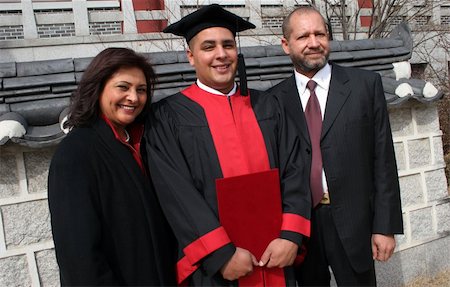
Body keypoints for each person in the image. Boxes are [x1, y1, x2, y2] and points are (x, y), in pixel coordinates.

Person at [144, 4, 310, 286]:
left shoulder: (268, 106)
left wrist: (291, 236)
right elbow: (176, 195)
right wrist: (220, 254)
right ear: (191, 56)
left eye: (228, 45)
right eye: (208, 47)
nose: (221, 54)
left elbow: (295, 169)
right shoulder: (167, 118)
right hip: (217, 268)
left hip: (276, 257)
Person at [268, 6, 404, 286]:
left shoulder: (365, 86)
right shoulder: (272, 101)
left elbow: (383, 160)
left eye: (320, 33)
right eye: (303, 36)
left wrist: (385, 227)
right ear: (286, 45)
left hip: (355, 221)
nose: (314, 42)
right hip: (301, 228)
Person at [47, 47, 176, 286]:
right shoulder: (76, 153)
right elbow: (78, 254)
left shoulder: (144, 143)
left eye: (141, 90)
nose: (133, 98)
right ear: (98, 88)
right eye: (123, 87)